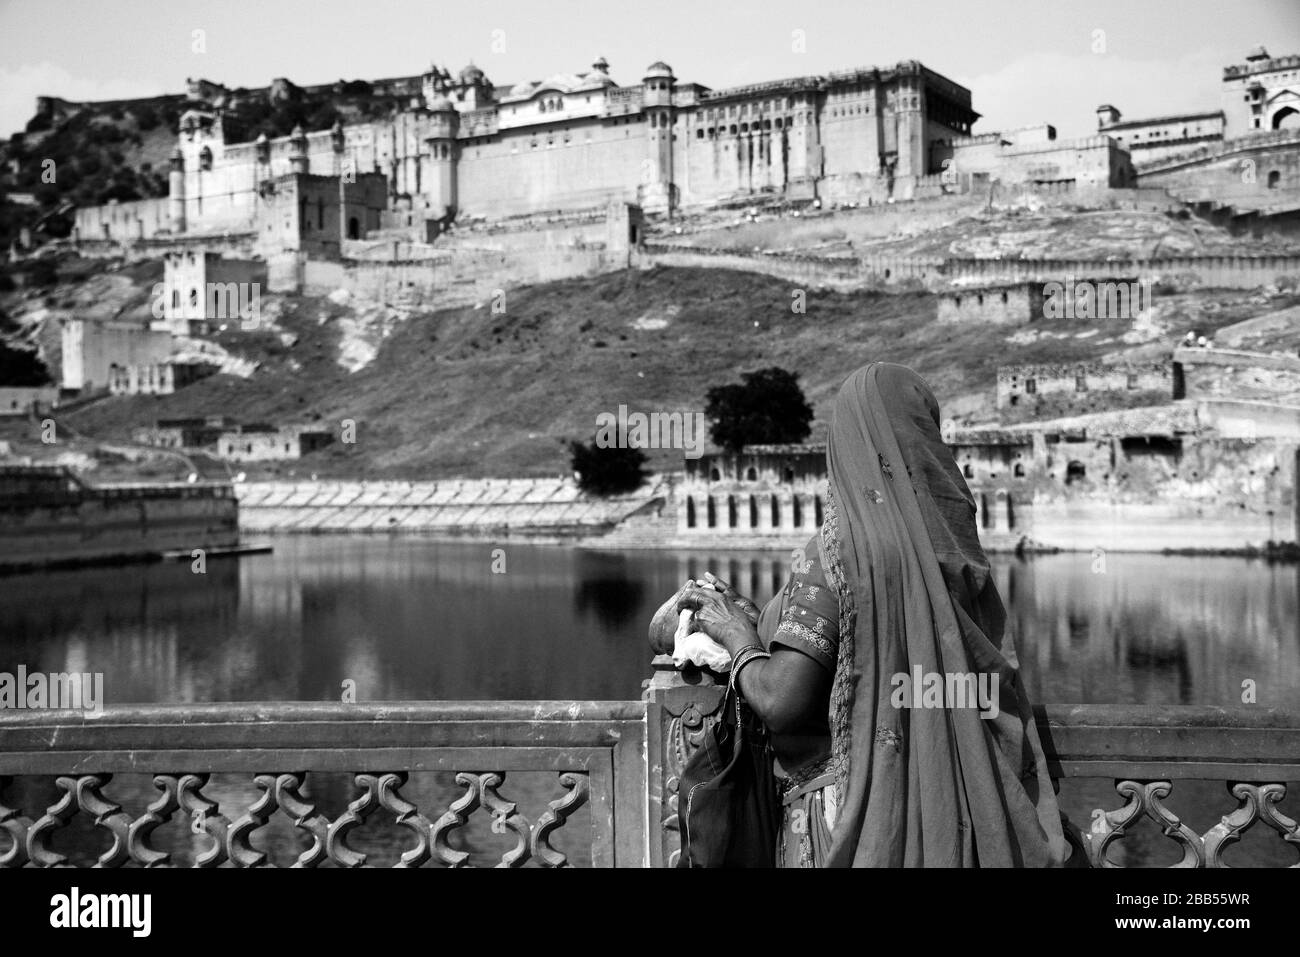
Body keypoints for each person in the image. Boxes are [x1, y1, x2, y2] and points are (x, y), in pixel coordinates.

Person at [676, 362, 1067, 867]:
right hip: (956, 802)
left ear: (846, 444)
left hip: (849, 818)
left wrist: (735, 635)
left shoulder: (838, 552)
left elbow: (781, 701)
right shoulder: (951, 548)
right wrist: (764, 618)